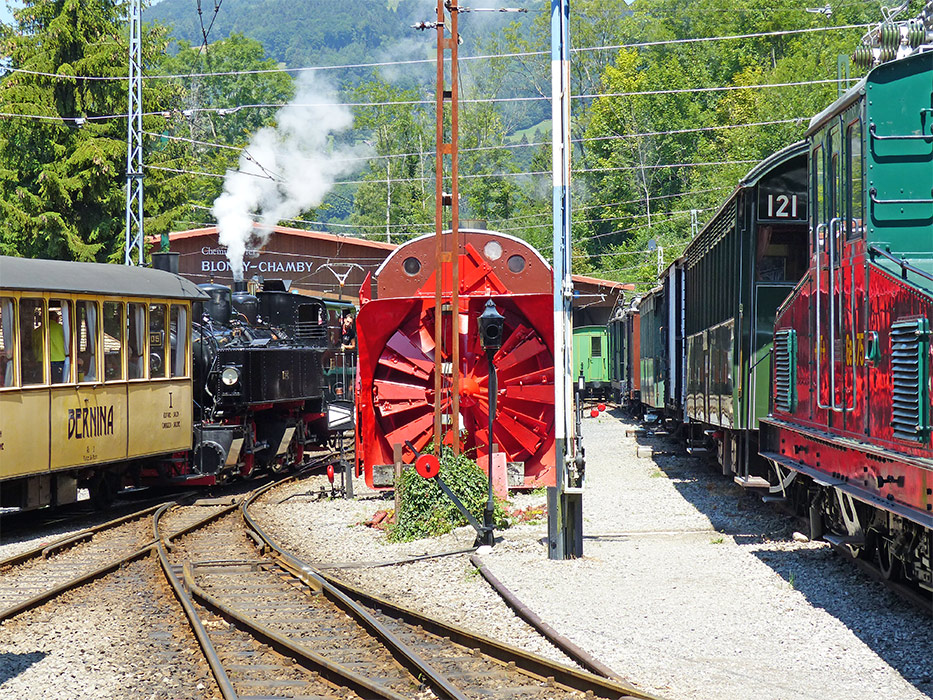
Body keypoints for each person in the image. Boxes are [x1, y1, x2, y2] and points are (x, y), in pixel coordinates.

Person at [49, 310, 66, 383]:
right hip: (59, 360)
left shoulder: (37, 331)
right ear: (56, 318)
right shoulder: (62, 329)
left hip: (41, 361)